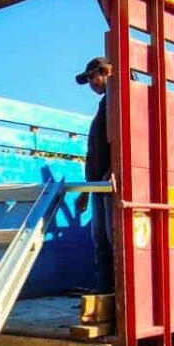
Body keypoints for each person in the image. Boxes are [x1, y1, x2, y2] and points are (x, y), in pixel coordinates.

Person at [73, 56, 115, 294]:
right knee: (101, 239)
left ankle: (117, 292)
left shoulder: (120, 100)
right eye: (88, 79)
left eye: (93, 77)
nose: (91, 83)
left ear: (107, 71)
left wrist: (114, 170)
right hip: (99, 184)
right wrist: (86, 192)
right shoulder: (104, 107)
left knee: (111, 238)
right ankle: (105, 289)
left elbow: (125, 141)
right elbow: (95, 155)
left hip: (110, 184)